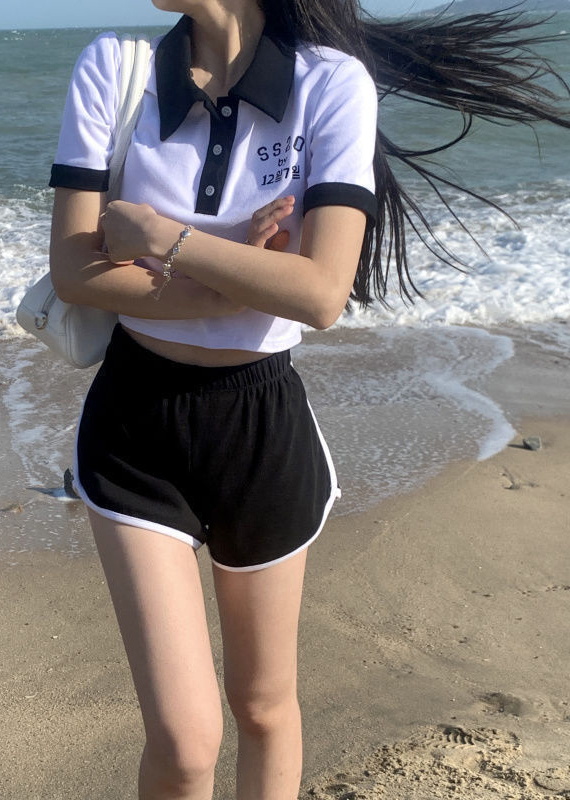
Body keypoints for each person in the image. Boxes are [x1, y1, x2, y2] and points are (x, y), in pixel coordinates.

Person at [47, 1, 569, 797]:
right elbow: (74, 272)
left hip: (262, 426)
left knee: (262, 708)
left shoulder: (331, 85)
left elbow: (321, 294)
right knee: (185, 742)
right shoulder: (116, 70)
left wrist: (165, 242)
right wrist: (244, 274)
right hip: (135, 422)